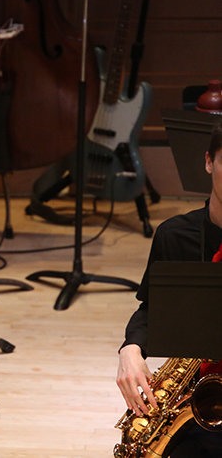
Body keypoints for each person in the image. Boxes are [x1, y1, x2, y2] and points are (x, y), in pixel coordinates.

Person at [116, 122, 222, 457]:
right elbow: (152, 309)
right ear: (208, 161)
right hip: (200, 397)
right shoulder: (175, 236)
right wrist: (130, 350)